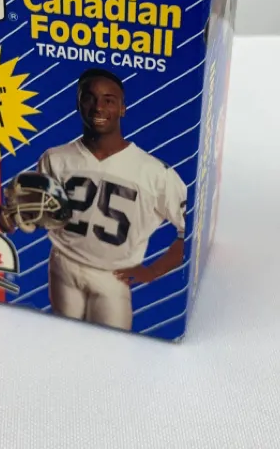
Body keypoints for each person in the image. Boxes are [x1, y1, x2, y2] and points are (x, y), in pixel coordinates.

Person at [34, 68, 186, 331]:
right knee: (63, 338)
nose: (98, 107)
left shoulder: (155, 173)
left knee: (112, 345)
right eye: (89, 98)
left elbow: (191, 232)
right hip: (62, 265)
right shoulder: (55, 158)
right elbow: (42, 214)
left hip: (112, 276)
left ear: (123, 108)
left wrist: (153, 271)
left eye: (109, 100)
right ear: (78, 103)